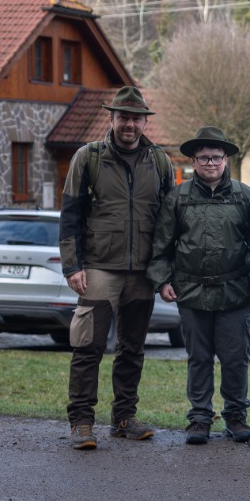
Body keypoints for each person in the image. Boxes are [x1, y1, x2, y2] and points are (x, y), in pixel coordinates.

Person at [59, 86, 174, 450]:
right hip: (98, 269)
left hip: (142, 272)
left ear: (144, 122)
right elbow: (70, 215)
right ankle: (81, 421)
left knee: (133, 348)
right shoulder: (88, 157)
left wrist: (164, 269)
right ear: (111, 119)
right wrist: (72, 266)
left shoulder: (160, 161)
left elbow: (169, 221)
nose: (129, 124)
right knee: (88, 346)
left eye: (135, 118)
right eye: (122, 117)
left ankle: (124, 417)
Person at [148, 127, 250, 445]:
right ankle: (199, 419)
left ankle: (236, 417)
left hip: (235, 291)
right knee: (198, 357)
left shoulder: (244, 196)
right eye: (203, 158)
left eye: (215, 157)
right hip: (190, 291)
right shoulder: (178, 198)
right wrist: (162, 281)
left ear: (225, 159)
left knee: (235, 357)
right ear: (193, 161)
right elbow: (162, 244)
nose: (210, 163)